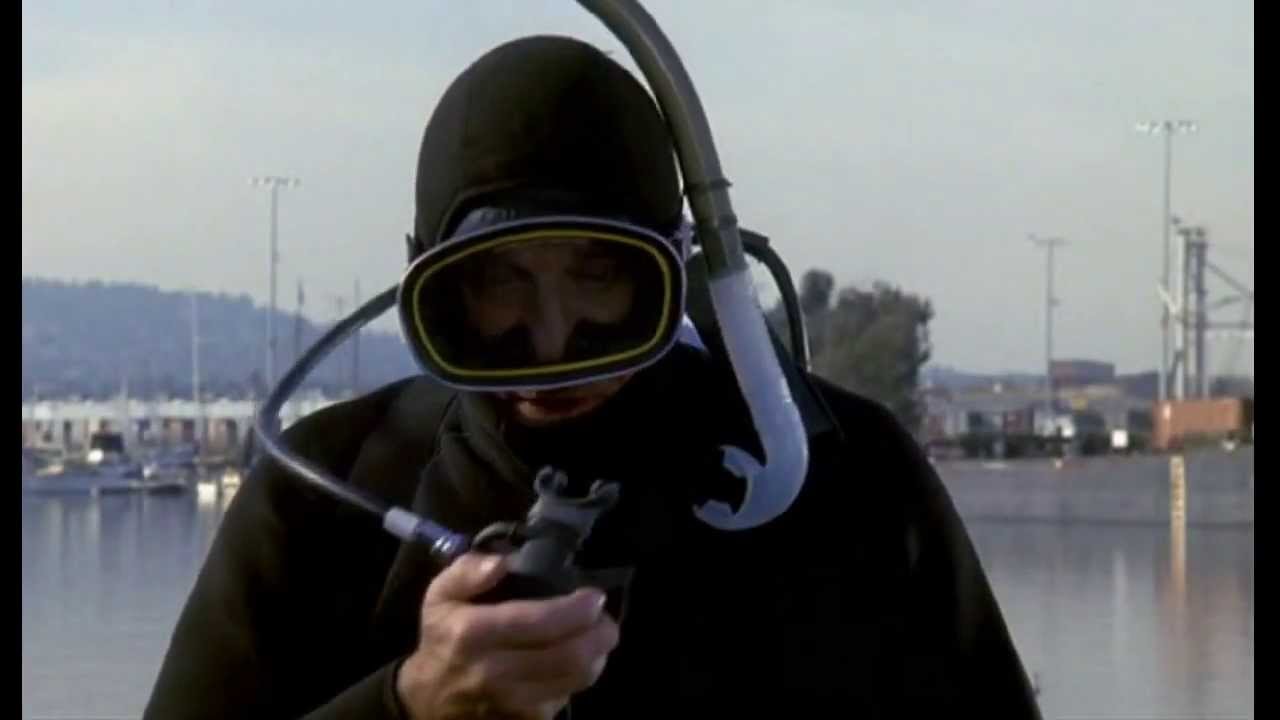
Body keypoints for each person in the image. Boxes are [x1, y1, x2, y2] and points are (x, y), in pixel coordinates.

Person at [143, 34, 1042, 719]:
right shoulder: (323, 493)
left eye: (599, 275)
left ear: (674, 271)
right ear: (438, 288)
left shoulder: (846, 477)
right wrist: (411, 704)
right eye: (502, 281)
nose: (551, 339)